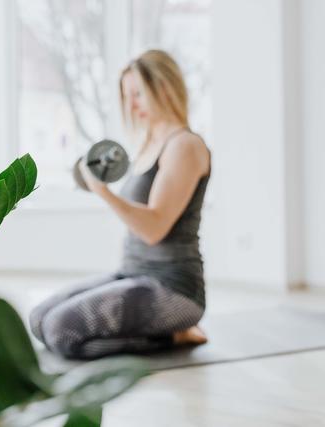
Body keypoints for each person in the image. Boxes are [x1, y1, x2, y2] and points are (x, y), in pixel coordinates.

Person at [29, 49, 212, 359]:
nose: (132, 104)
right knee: (38, 320)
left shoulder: (185, 146)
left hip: (174, 290)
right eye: (127, 96)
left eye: (139, 93)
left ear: (165, 88)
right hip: (131, 274)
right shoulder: (147, 145)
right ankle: (160, 332)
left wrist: (103, 191)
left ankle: (173, 335)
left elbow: (154, 228)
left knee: (61, 332)